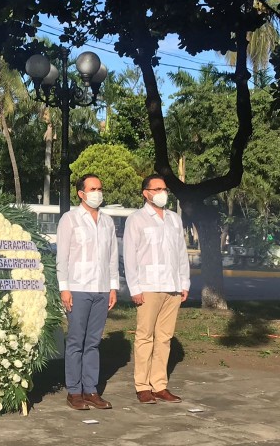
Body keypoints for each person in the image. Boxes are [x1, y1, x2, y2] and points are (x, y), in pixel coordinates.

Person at [123, 174, 190, 404]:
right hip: (148, 286)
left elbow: (181, 253)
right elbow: (130, 257)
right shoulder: (137, 219)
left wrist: (184, 283)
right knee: (145, 337)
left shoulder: (174, 219)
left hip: (171, 287)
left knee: (164, 337)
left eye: (165, 189)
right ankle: (142, 386)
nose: (163, 193)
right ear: (146, 193)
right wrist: (135, 288)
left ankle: (159, 385)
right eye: (157, 189)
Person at [56, 174, 118, 411]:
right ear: (81, 193)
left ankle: (91, 390)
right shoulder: (70, 219)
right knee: (76, 341)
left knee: (93, 342)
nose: (97, 193)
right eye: (93, 189)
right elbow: (62, 256)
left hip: (101, 288)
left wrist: (113, 287)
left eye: (100, 188)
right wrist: (65, 288)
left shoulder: (107, 222)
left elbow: (112, 256)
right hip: (78, 288)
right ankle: (74, 391)